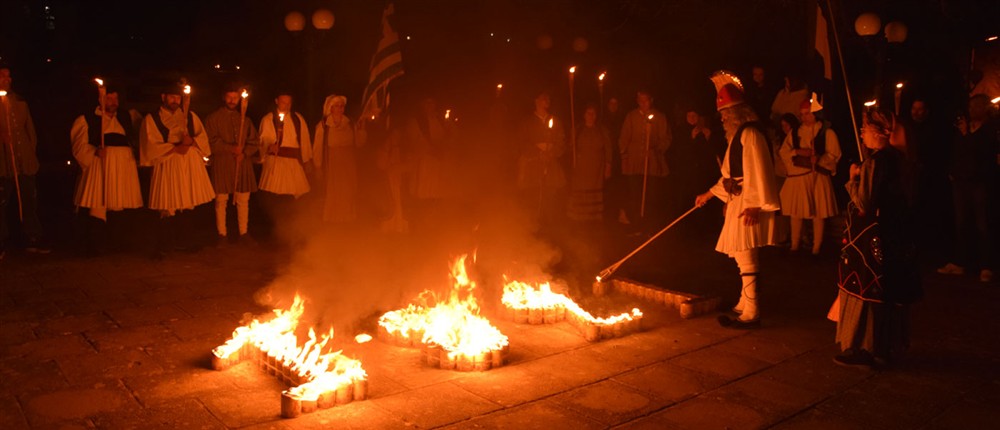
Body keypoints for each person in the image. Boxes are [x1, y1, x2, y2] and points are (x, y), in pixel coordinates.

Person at [834, 108, 920, 368]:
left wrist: (852, 180)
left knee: (868, 290)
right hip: (896, 236)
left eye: (865, 128)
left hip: (873, 238)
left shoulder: (877, 161)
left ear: (879, 132)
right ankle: (885, 349)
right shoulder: (902, 159)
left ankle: (866, 348)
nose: (861, 133)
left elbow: (864, 203)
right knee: (888, 291)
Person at [696, 70, 781, 329]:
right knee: (741, 255)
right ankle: (745, 302)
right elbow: (728, 175)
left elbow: (759, 170)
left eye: (724, 114)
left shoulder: (750, 135)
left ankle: (752, 311)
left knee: (747, 255)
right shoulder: (737, 136)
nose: (722, 119)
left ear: (735, 114)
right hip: (738, 200)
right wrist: (709, 195)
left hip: (749, 202)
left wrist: (755, 204)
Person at [139, 82, 215, 256]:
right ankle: (163, 245)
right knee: (168, 203)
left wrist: (192, 142)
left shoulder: (190, 116)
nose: (175, 100)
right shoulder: (153, 119)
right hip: (168, 163)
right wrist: (174, 148)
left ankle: (185, 241)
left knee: (187, 201)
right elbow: (150, 145)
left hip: (188, 164)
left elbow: (203, 139)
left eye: (178, 97)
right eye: (172, 96)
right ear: (163, 97)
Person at [69, 84, 143, 252]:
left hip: (123, 167)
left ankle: (117, 243)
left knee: (119, 202)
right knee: (98, 203)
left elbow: (136, 139)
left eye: (115, 98)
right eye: (109, 98)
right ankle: (95, 245)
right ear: (100, 99)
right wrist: (94, 151)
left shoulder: (126, 117)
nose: (113, 102)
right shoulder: (87, 119)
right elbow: (78, 147)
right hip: (100, 166)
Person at [937, 94, 997, 283]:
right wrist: (952, 171)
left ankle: (986, 265)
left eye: (975, 107)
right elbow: (957, 151)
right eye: (970, 106)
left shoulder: (989, 130)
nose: (970, 110)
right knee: (962, 223)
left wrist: (967, 135)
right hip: (961, 182)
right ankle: (961, 262)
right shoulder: (964, 129)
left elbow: (981, 153)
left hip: (979, 183)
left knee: (982, 224)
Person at [778, 95, 841, 255]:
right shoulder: (795, 133)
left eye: (807, 113)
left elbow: (835, 154)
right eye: (802, 114)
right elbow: (784, 152)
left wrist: (820, 158)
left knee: (818, 212)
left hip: (818, 177)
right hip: (800, 178)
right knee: (796, 211)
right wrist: (798, 152)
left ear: (815, 114)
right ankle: (794, 245)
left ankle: (816, 248)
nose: (803, 117)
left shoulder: (827, 132)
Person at [0, 65, 48, 256]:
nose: (7, 79)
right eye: (2, 75)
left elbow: (30, 132)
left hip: (24, 163)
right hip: (3, 165)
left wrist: (29, 154)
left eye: (9, 76)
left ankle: (32, 238)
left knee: (28, 201)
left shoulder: (20, 102)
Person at [204, 85, 260, 245]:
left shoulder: (246, 120)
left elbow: (254, 141)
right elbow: (209, 141)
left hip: (242, 163)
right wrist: (230, 148)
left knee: (243, 199)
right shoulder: (213, 119)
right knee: (221, 200)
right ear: (224, 97)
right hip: (223, 163)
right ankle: (222, 234)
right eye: (229, 97)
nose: (232, 100)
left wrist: (244, 153)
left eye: (235, 98)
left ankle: (244, 233)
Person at [619, 90, 671, 232]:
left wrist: (656, 150)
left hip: (652, 164)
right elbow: (624, 138)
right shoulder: (631, 116)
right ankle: (636, 224)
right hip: (634, 164)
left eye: (645, 100)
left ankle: (650, 226)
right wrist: (624, 156)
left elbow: (666, 139)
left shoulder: (659, 117)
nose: (643, 103)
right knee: (635, 195)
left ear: (651, 100)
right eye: (640, 100)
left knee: (651, 196)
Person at [314, 95, 366, 223]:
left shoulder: (350, 123)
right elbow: (317, 147)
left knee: (349, 189)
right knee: (334, 190)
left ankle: (348, 218)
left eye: (342, 106)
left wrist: (362, 130)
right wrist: (318, 166)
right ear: (330, 108)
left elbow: (359, 143)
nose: (339, 109)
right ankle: (333, 219)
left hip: (348, 161)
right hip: (332, 161)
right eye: (336, 106)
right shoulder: (323, 126)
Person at [258, 91, 312, 199]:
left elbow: (305, 141)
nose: (286, 106)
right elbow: (263, 140)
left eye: (289, 103)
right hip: (276, 162)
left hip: (294, 164)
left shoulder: (298, 119)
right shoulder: (268, 119)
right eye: (283, 102)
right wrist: (269, 146)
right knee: (276, 195)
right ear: (277, 101)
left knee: (294, 198)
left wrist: (307, 160)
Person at [568, 103, 612, 221]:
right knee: (581, 188)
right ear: (584, 115)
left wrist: (608, 165)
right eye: (589, 113)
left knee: (594, 190)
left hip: (596, 166)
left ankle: (594, 215)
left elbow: (608, 148)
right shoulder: (578, 129)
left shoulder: (602, 130)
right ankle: (579, 215)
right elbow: (571, 147)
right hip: (581, 166)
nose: (591, 116)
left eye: (593, 114)